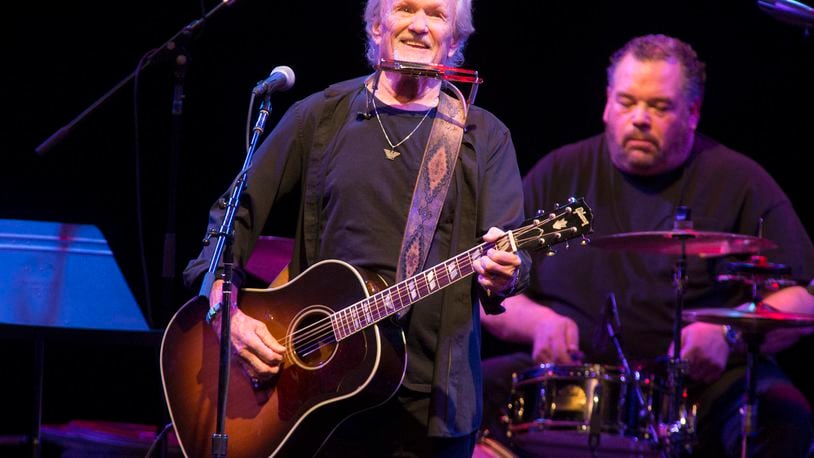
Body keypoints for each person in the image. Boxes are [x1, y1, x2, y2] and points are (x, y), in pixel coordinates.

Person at [182, 0, 529, 456]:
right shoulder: (320, 116)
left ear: (456, 40)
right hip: (310, 393)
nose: (419, 26)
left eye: (437, 15)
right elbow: (235, 215)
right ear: (375, 24)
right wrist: (223, 308)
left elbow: (512, 257)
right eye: (405, 8)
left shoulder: (483, 136)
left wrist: (508, 269)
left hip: (427, 409)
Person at [480, 34, 814, 458]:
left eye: (659, 106)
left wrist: (728, 333)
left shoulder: (740, 180)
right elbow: (489, 286)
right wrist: (537, 323)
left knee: (784, 415)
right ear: (606, 103)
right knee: (454, 393)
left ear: (692, 113)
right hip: (571, 383)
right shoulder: (560, 172)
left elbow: (806, 296)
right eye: (626, 102)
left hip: (705, 388)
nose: (639, 118)